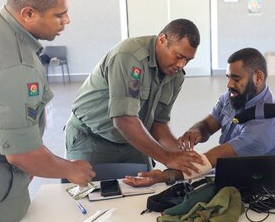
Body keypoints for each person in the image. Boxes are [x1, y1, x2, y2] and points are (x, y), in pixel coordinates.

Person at [0, 0, 95, 222]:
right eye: (59, 15)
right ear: (29, 13)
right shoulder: (15, 65)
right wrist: (70, 169)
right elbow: (21, 154)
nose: (67, 20)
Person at [124, 47, 275, 187]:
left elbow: (209, 160)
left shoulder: (262, 128)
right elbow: (208, 125)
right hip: (228, 173)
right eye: (228, 77)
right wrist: (196, 131)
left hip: (253, 189)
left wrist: (165, 176)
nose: (229, 85)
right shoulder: (234, 96)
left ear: (258, 77)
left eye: (236, 78)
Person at [65, 18, 204, 175]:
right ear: (162, 40)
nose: (181, 65)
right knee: (88, 195)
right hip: (92, 138)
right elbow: (124, 119)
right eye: (178, 56)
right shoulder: (129, 56)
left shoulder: (175, 76)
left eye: (187, 60)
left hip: (134, 140)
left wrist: (180, 155)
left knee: (143, 193)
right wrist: (167, 157)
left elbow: (158, 124)